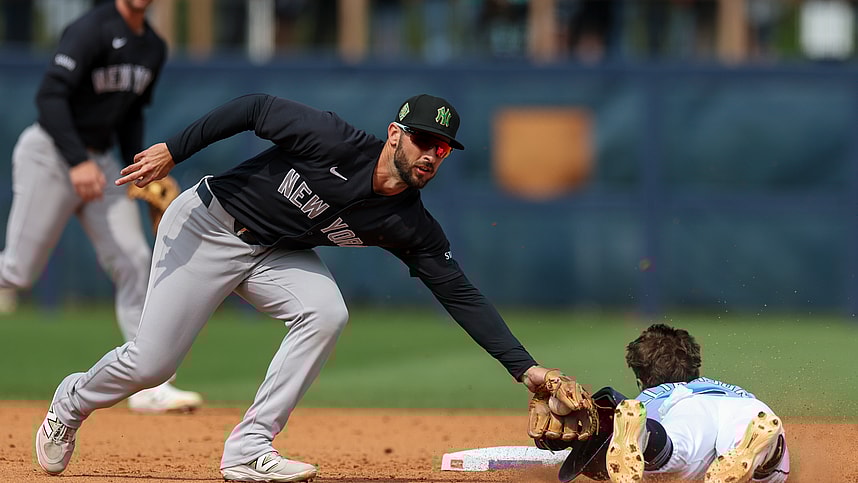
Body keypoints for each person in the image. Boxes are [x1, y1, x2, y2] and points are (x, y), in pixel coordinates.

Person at [34, 93, 561, 482]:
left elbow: (459, 292)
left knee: (327, 313)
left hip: (274, 252)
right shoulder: (331, 139)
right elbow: (253, 108)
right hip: (208, 225)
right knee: (153, 365)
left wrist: (525, 368)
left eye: (443, 149)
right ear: (396, 134)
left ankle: (248, 448)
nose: (432, 154)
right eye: (424, 140)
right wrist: (175, 149)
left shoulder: (409, 224)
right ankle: (71, 402)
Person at [0, 0, 202, 412]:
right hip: (52, 156)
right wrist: (76, 160)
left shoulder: (153, 49)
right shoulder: (90, 29)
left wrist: (143, 174)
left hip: (103, 163)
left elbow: (129, 118)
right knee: (18, 270)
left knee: (134, 258)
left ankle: (149, 386)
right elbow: (50, 97)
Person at [606, 324, 789, 483]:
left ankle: (645, 437)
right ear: (694, 368)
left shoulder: (650, 397)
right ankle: (763, 454)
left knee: (675, 452)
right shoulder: (724, 387)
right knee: (766, 469)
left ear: (641, 381)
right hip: (745, 406)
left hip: (685, 405)